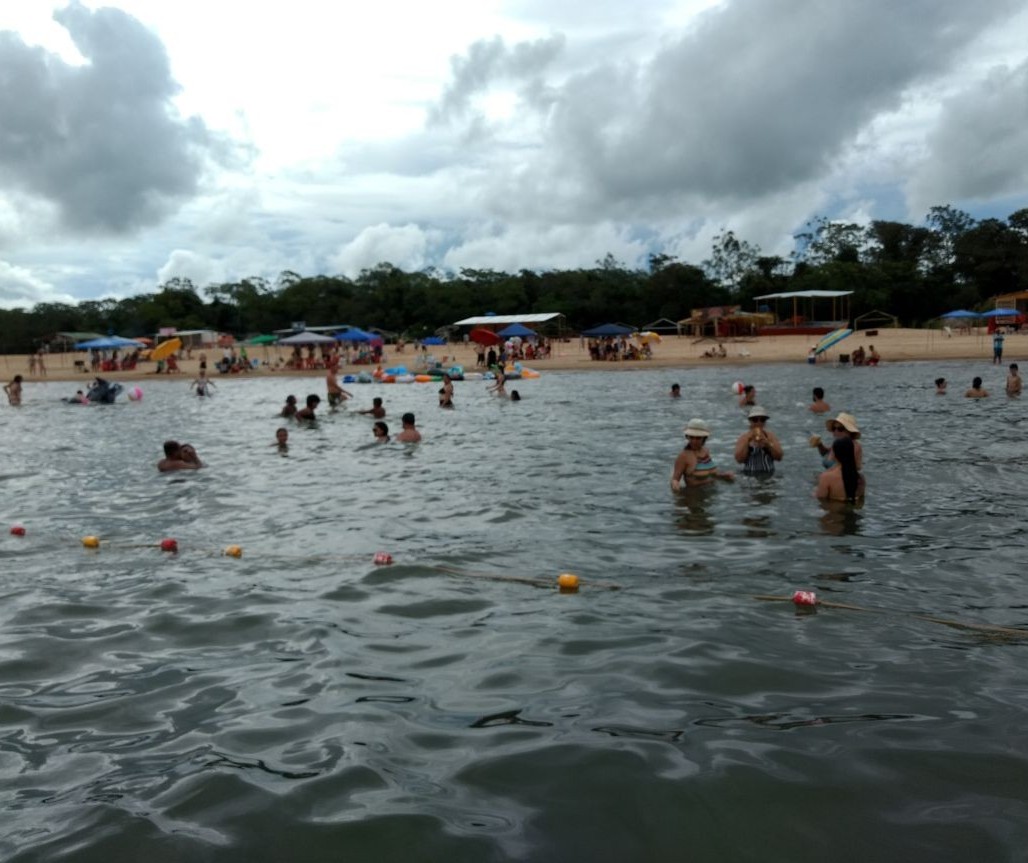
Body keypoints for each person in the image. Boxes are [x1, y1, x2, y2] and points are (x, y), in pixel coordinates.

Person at [670, 419, 735, 491]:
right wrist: (675, 485)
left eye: (698, 438)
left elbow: (711, 474)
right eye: (691, 437)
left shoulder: (705, 451)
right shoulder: (683, 456)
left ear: (704, 438)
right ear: (687, 437)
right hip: (694, 496)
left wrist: (724, 475)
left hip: (711, 493)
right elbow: (675, 479)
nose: (694, 441)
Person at [734, 406, 783, 475]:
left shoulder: (770, 436)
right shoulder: (744, 438)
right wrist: (747, 442)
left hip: (768, 473)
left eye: (762, 420)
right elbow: (739, 460)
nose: (758, 423)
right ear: (750, 421)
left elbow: (779, 457)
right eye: (755, 420)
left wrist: (768, 444)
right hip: (750, 474)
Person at [815, 437, 865, 503]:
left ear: (834, 454)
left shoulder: (826, 477)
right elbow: (860, 501)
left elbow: (820, 500)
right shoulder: (861, 478)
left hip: (834, 511)